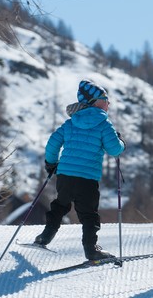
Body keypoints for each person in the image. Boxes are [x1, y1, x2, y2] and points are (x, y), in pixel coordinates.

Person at [34, 79, 126, 260]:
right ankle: (91, 249)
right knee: (88, 214)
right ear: (93, 102)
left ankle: (45, 236)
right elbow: (115, 150)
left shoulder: (70, 123)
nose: (108, 103)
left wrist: (51, 163)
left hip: (65, 176)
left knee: (60, 205)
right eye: (104, 99)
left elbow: (53, 143)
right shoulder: (104, 124)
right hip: (88, 179)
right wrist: (121, 141)